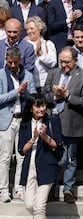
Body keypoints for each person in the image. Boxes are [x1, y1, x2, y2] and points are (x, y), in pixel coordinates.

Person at [42, 46, 83, 203]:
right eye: (61, 62)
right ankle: (51, 187)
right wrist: (56, 97)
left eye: (66, 62)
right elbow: (44, 95)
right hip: (53, 120)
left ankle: (68, 188)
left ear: (76, 61)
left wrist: (68, 95)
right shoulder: (53, 73)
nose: (63, 65)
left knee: (70, 157)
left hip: (72, 123)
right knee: (52, 156)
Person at [18, 94, 61, 219]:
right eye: (37, 106)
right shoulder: (25, 124)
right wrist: (34, 138)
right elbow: (22, 150)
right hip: (29, 167)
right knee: (29, 204)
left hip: (47, 166)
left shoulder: (53, 121)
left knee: (40, 205)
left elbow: (57, 145)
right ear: (31, 108)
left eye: (43, 106)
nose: (41, 109)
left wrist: (44, 137)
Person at [0, 46, 36, 203]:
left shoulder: (28, 75)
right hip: (6, 120)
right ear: (6, 61)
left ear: (20, 60)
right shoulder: (1, 75)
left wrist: (26, 92)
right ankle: (3, 189)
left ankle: (19, 188)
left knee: (22, 155)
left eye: (15, 62)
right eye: (10, 63)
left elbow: (34, 98)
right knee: (5, 157)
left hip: (23, 119)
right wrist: (16, 92)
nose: (13, 65)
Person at [24, 16, 57, 91]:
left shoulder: (48, 44)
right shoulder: (25, 44)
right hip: (30, 84)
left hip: (44, 84)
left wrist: (40, 53)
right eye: (27, 29)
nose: (29, 31)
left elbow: (53, 63)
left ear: (40, 28)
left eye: (32, 28)